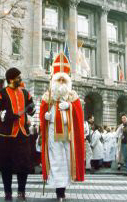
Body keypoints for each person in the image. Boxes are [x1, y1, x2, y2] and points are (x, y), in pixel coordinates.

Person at [39, 52, 85, 201]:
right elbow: (42, 112)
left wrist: (70, 107)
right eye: (58, 80)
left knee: (65, 162)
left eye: (63, 80)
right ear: (53, 81)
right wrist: (45, 118)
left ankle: (62, 190)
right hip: (53, 134)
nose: (61, 83)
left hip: (68, 134)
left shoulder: (73, 96)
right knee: (56, 161)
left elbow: (79, 116)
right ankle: (58, 191)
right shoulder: (48, 96)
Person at [0, 67, 36, 201]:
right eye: (18, 77)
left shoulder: (25, 93)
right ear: (11, 79)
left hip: (22, 134)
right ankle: (8, 193)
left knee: (23, 165)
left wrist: (32, 109)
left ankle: (21, 192)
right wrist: (2, 114)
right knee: (6, 166)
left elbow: (31, 108)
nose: (21, 79)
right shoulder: (0, 93)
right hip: (6, 136)